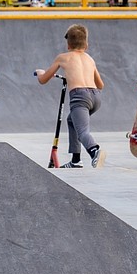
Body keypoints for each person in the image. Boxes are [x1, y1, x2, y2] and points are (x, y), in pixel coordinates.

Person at [36, 24, 105, 168]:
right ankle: (76, 160)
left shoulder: (63, 58)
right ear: (86, 44)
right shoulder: (90, 59)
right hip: (96, 97)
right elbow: (100, 85)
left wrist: (40, 72)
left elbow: (43, 80)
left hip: (79, 98)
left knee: (83, 131)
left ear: (68, 45)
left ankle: (94, 151)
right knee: (72, 120)